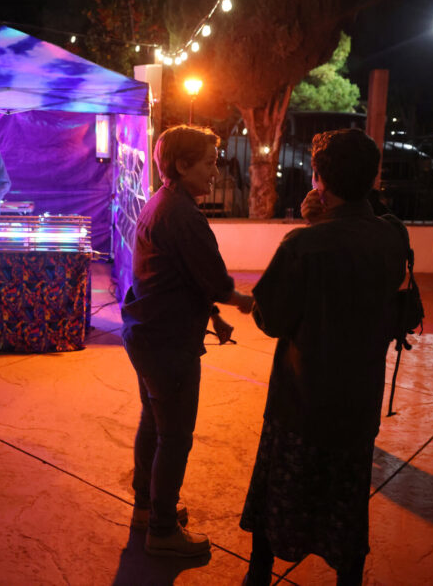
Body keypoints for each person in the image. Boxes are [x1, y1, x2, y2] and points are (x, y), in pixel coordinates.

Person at [240, 129, 408, 586]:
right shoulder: (392, 237)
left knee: (283, 495)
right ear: (373, 178)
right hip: (358, 404)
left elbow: (271, 319)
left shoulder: (302, 246)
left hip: (301, 401)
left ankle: (259, 576)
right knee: (347, 505)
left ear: (319, 180)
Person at [120, 125, 254, 558]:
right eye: (210, 162)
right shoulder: (184, 215)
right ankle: (161, 528)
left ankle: (147, 508)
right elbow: (213, 280)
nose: (216, 171)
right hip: (168, 342)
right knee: (175, 435)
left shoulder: (161, 203)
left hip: (147, 333)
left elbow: (180, 277)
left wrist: (212, 316)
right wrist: (241, 301)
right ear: (182, 165)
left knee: (154, 424)